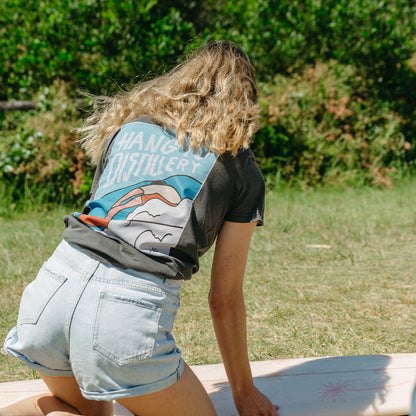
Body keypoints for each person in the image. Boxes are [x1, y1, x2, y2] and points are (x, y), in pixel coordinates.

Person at [1, 40, 279, 416]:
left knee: (80, 411)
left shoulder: (129, 130)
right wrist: (244, 392)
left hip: (53, 288)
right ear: (245, 101)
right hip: (124, 312)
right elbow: (224, 298)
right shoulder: (239, 168)